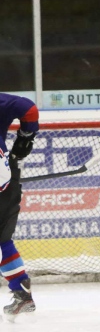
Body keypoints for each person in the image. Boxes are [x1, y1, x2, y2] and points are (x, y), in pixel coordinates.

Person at [0, 93, 39, 318]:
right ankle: (21, 290)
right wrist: (25, 136)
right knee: (2, 239)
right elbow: (30, 109)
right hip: (5, 175)